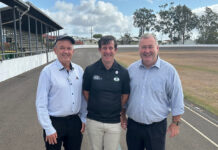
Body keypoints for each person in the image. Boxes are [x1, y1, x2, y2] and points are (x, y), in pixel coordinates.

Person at [121, 33, 184, 150]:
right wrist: (123, 115)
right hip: (133, 126)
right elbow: (125, 96)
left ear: (157, 48)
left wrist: (175, 123)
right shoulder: (131, 70)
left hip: (156, 129)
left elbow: (177, 98)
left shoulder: (169, 71)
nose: (147, 50)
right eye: (143, 47)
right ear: (139, 49)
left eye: (150, 47)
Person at [36, 35, 87, 150]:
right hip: (55, 123)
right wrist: (48, 128)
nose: (66, 51)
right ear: (55, 51)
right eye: (62, 48)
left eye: (69, 48)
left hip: (75, 122)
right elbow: (41, 103)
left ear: (73, 51)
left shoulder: (79, 70)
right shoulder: (47, 72)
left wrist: (83, 118)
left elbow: (83, 98)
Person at [82, 35, 130, 150]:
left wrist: (116, 107)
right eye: (104, 48)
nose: (107, 51)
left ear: (115, 50)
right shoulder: (90, 70)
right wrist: (96, 103)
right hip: (94, 121)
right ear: (100, 49)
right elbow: (86, 92)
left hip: (114, 122)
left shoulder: (123, 72)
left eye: (110, 48)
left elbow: (125, 95)